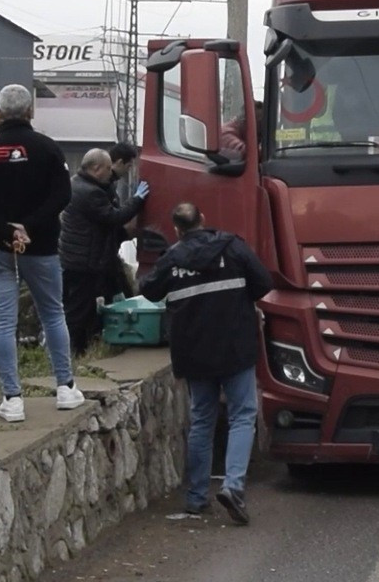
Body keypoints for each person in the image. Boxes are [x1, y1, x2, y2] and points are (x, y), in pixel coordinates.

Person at [140, 203, 272, 525]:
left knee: (202, 420)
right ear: (203, 220)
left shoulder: (172, 259)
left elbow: (147, 291)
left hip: (195, 353)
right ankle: (233, 486)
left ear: (177, 229)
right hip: (235, 348)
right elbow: (264, 283)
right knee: (243, 416)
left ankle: (197, 497)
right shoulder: (233, 247)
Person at [0, 83, 84, 423]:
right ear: (31, 111)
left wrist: (6, 230)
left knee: (2, 320)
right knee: (52, 313)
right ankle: (65, 387)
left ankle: (12, 398)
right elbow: (62, 196)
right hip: (42, 245)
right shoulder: (47, 149)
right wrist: (29, 226)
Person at [59, 148, 148, 356]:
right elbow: (114, 218)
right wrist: (137, 200)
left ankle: (85, 346)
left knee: (89, 307)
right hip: (84, 262)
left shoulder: (82, 184)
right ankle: (72, 352)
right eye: (109, 169)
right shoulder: (90, 193)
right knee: (79, 310)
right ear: (96, 168)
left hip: (84, 259)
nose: (111, 173)